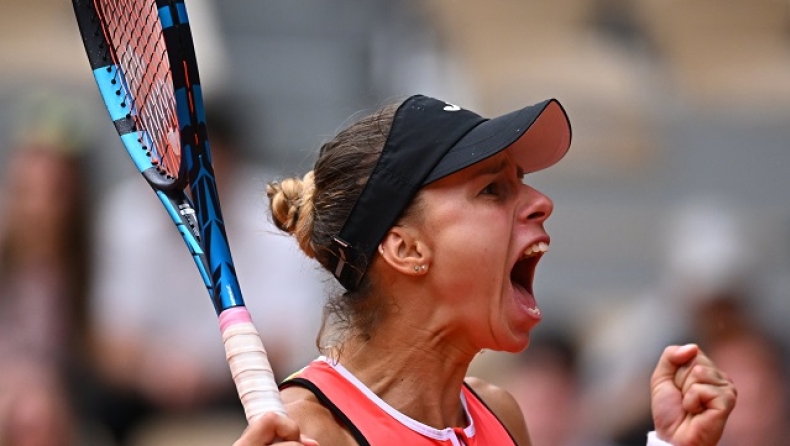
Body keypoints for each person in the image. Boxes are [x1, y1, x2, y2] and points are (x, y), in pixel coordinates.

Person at [235, 95, 736, 445]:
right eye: (492, 189)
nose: (541, 202)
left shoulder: (500, 414)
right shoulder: (312, 431)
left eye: (522, 181)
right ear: (405, 248)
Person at [88, 99, 325, 445]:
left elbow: (293, 340)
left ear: (231, 159)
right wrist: (158, 370)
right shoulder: (126, 215)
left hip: (243, 387)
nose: (186, 176)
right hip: (149, 391)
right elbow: (111, 345)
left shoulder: (276, 219)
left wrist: (214, 369)